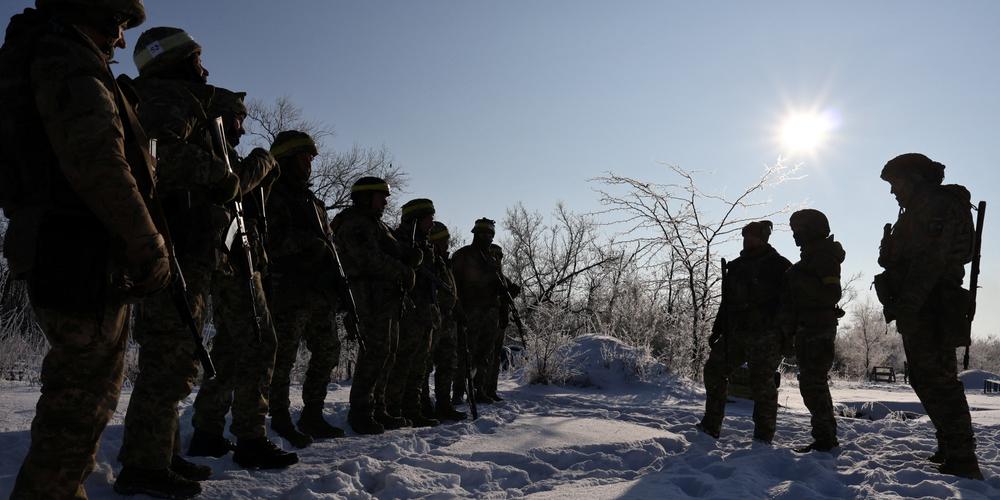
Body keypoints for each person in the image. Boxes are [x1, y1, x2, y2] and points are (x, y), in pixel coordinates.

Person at [1, 1, 168, 497]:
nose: (120, 40)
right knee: (78, 411)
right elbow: (100, 163)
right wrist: (148, 243)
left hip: (65, 249)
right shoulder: (68, 61)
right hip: (78, 253)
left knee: (80, 405)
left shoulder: (43, 56)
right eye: (117, 25)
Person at [115, 26, 237, 498]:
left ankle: (161, 454)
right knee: (169, 361)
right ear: (178, 60)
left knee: (176, 359)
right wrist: (220, 175)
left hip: (185, 246)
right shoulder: (169, 97)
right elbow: (160, 152)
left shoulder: (175, 98)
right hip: (175, 245)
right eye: (197, 59)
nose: (204, 69)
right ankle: (143, 466)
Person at [187, 88, 297, 469]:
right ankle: (251, 435)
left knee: (231, 350)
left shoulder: (214, 151)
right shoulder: (212, 152)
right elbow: (233, 183)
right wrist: (262, 161)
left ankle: (207, 430)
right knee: (261, 342)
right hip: (232, 263)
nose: (242, 128)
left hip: (233, 260)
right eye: (238, 119)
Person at [876, 153, 982, 479]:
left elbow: (930, 263)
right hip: (920, 305)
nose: (893, 191)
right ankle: (949, 446)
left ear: (915, 179)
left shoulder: (936, 205)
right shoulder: (914, 211)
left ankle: (962, 457)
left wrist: (908, 306)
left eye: (896, 183)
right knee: (924, 379)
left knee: (940, 381)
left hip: (933, 305)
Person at [265, 130, 345, 447]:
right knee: (282, 358)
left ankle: (312, 413)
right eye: (304, 157)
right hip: (289, 290)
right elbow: (269, 241)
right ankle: (279, 417)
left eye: (311, 158)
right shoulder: (272, 194)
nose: (310, 163)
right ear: (287, 159)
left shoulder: (313, 202)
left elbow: (328, 245)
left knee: (328, 350)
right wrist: (307, 243)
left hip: (318, 292)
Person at [330, 176, 415, 434]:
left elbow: (392, 250)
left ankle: (378, 408)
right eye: (381, 197)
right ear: (366, 198)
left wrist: (409, 255)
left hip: (384, 298)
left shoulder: (376, 225)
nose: (385, 202)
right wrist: (403, 271)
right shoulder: (355, 223)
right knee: (374, 353)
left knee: (387, 353)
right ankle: (361, 411)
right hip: (367, 297)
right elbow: (370, 259)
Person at [697, 221, 791, 443]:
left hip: (766, 336)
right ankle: (711, 425)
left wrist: (786, 336)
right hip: (735, 333)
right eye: (745, 237)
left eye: (753, 237)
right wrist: (717, 329)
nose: (748, 240)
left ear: (763, 239)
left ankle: (763, 436)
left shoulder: (780, 266)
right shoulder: (737, 266)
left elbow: (790, 304)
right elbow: (726, 302)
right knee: (714, 370)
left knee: (762, 382)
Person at [779, 209, 844, 454]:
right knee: (811, 384)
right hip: (808, 328)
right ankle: (825, 438)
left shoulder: (824, 257)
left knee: (813, 384)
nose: (794, 235)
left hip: (817, 329)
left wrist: (797, 278)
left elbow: (831, 294)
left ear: (811, 230)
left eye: (798, 230)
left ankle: (825, 440)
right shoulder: (810, 257)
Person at [387, 199, 441, 427]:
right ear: (416, 220)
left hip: (424, 311)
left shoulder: (425, 244)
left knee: (419, 365)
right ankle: (393, 408)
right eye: (429, 218)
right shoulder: (398, 240)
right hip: (408, 311)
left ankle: (413, 409)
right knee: (403, 362)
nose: (432, 223)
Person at [452, 218, 509, 403]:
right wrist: (458, 308)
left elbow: (500, 284)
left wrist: (503, 303)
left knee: (484, 354)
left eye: (490, 235)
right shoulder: (463, 255)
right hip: (470, 312)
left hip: (489, 313)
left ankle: (479, 390)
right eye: (483, 234)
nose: (487, 238)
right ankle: (458, 391)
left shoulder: (492, 259)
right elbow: (454, 285)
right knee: (465, 354)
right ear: (476, 234)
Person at [423, 222, 467, 421]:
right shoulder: (427, 261)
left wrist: (458, 309)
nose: (447, 243)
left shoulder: (443, 262)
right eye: (444, 240)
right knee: (424, 365)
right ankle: (423, 404)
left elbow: (451, 291)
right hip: (432, 319)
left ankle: (444, 404)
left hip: (448, 320)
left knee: (448, 363)